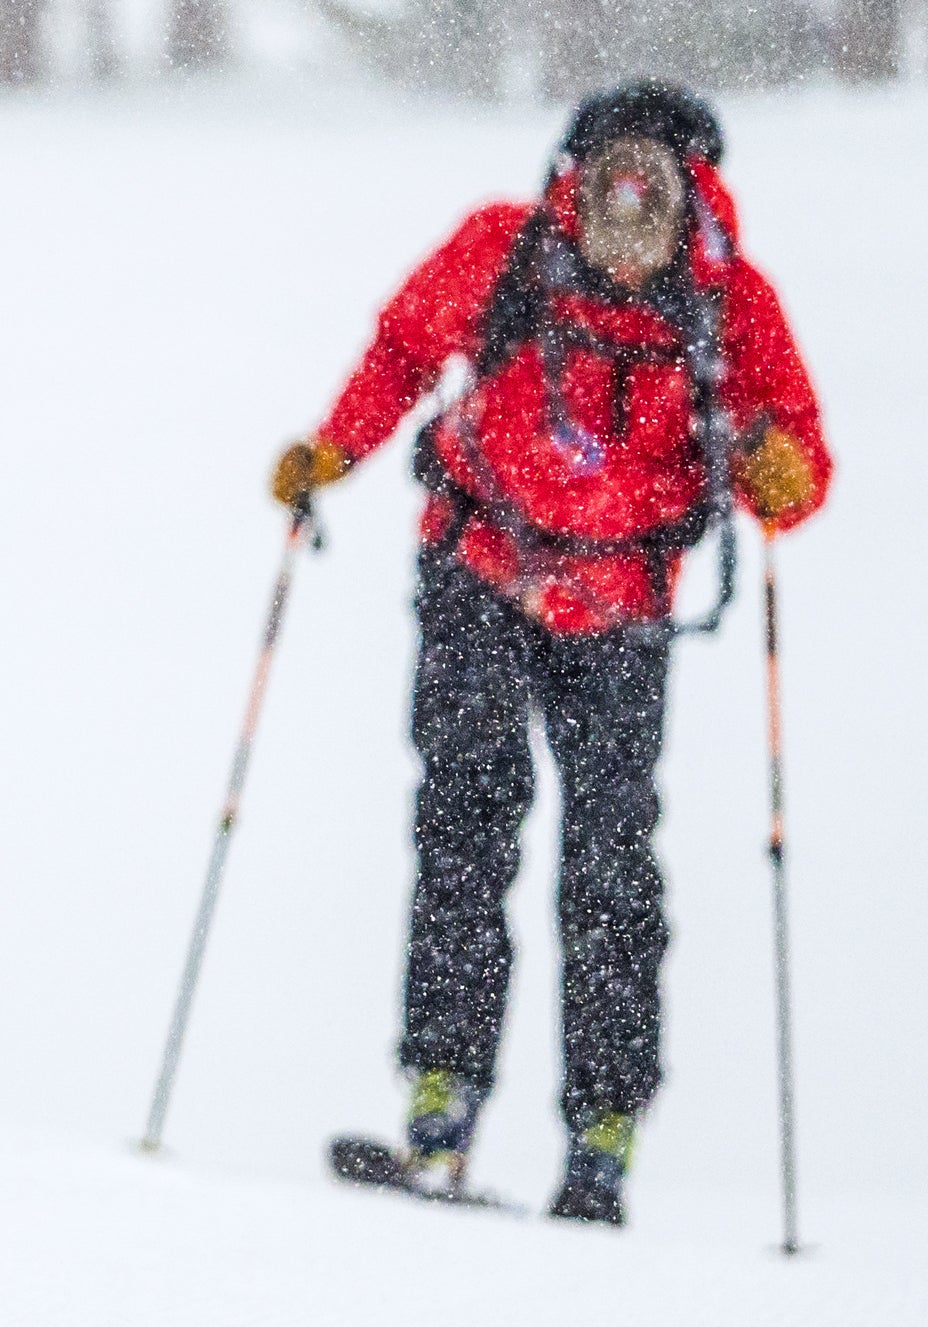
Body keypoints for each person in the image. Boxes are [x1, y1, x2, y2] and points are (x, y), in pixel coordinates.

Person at [279, 81, 832, 1225]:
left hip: (623, 610)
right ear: (577, 189)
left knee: (608, 864)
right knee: (470, 828)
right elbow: (401, 353)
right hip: (479, 573)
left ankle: (601, 1138)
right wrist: (332, 450)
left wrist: (784, 478)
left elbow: (799, 451)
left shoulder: (730, 304)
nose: (624, 245)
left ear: (686, 204)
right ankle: (444, 1105)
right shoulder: (506, 251)